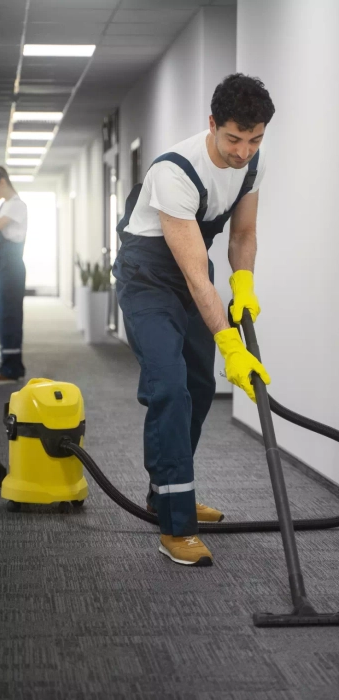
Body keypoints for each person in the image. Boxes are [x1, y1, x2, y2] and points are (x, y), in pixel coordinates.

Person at [113, 73, 275, 567]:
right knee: (169, 387)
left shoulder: (252, 165)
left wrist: (244, 284)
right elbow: (195, 275)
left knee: (200, 388)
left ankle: (166, 491)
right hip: (149, 274)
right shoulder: (175, 171)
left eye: (255, 140)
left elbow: (242, 233)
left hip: (190, 268)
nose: (244, 151)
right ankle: (175, 524)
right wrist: (230, 344)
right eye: (233, 139)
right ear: (212, 124)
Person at [0, 167, 27, 383]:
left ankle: (12, 369)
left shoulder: (17, 205)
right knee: (3, 316)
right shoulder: (4, 205)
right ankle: (7, 364)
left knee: (10, 316)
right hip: (4, 268)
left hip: (12, 269)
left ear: (2, 182)